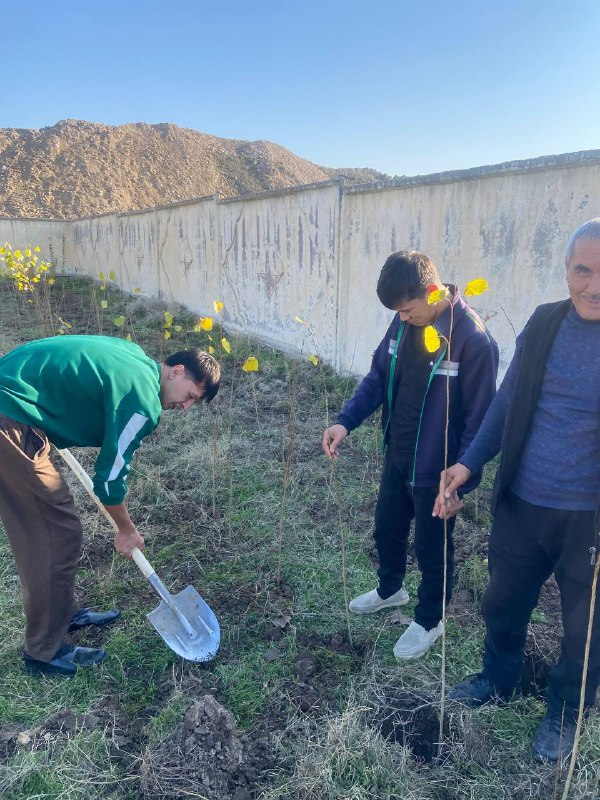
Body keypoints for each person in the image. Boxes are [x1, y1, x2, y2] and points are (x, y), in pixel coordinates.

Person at [434, 218, 600, 763]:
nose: (594, 285)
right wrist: (468, 462)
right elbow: (505, 402)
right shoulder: (546, 323)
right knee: (502, 603)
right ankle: (498, 679)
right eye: (583, 270)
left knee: (586, 625)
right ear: (567, 270)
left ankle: (564, 712)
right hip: (523, 503)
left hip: (588, 519)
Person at [0, 334, 220, 677]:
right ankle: (44, 652)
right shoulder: (143, 401)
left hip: (17, 404)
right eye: (190, 396)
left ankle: (63, 615)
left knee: (56, 530)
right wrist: (127, 530)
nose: (185, 407)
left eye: (195, 403)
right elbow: (109, 481)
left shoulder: (135, 358)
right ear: (177, 371)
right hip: (10, 417)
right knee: (54, 533)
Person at [322, 250, 498, 659]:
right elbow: (378, 376)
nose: (402, 318)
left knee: (432, 546)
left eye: (407, 308)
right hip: (398, 451)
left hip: (439, 470)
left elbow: (482, 421)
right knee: (387, 527)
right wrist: (344, 421)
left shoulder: (472, 339)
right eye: (396, 311)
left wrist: (463, 478)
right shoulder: (402, 326)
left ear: (433, 290)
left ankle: (430, 619)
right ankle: (390, 589)